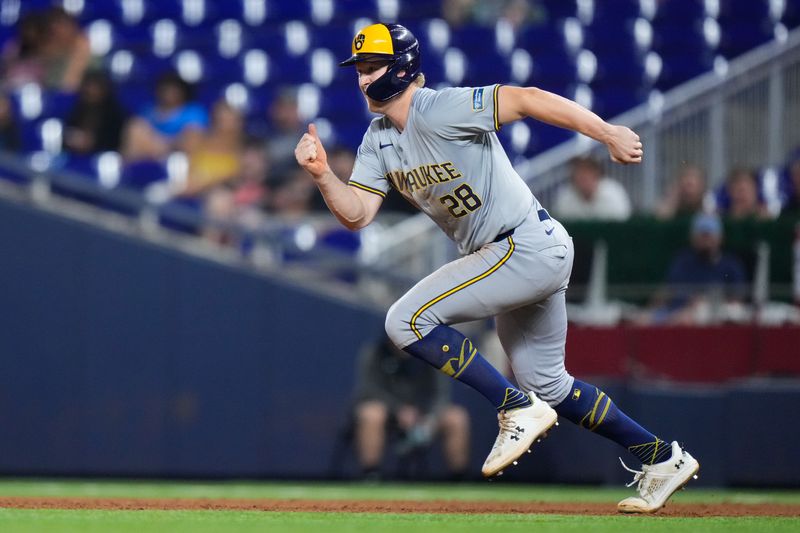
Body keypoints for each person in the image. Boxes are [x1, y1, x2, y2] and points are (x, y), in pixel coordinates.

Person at [295, 23, 698, 513]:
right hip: (519, 255)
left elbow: (526, 98)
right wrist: (322, 176)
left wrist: (606, 132)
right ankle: (661, 457)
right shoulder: (378, 140)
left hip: (521, 245)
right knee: (550, 385)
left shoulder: (436, 107)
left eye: (371, 67)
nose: (362, 80)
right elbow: (356, 214)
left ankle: (513, 407)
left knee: (404, 320)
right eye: (358, 69)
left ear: (401, 68)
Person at [353, 336, 470, 480]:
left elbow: (441, 395)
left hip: (424, 415)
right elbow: (368, 389)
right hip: (389, 414)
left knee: (456, 417)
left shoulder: (430, 355)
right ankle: (370, 475)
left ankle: (459, 478)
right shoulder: (376, 353)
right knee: (371, 414)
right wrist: (398, 410)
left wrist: (430, 419)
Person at [646, 213, 748, 325]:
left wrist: (703, 306)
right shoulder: (682, 261)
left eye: (709, 235)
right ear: (692, 237)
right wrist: (649, 313)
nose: (705, 240)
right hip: (675, 319)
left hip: (712, 321)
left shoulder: (731, 265)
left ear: (720, 237)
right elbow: (667, 291)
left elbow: (737, 302)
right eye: (701, 235)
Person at [121, 71, 208, 162]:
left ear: (183, 91)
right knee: (135, 127)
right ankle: (131, 171)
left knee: (193, 136)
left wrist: (169, 145)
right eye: (166, 89)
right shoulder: (149, 111)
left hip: (181, 153)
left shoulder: (193, 111)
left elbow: (194, 138)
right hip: (152, 150)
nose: (169, 93)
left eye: (174, 90)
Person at [63, 71, 128, 156]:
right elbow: (68, 130)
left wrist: (93, 142)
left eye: (95, 87)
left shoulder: (115, 114)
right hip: (74, 155)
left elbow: (115, 143)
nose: (91, 91)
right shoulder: (78, 108)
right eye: (88, 86)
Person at [552, 156, 632, 221]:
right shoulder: (565, 197)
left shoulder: (614, 192)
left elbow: (622, 224)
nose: (583, 175)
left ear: (597, 173)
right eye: (579, 170)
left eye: (588, 170)